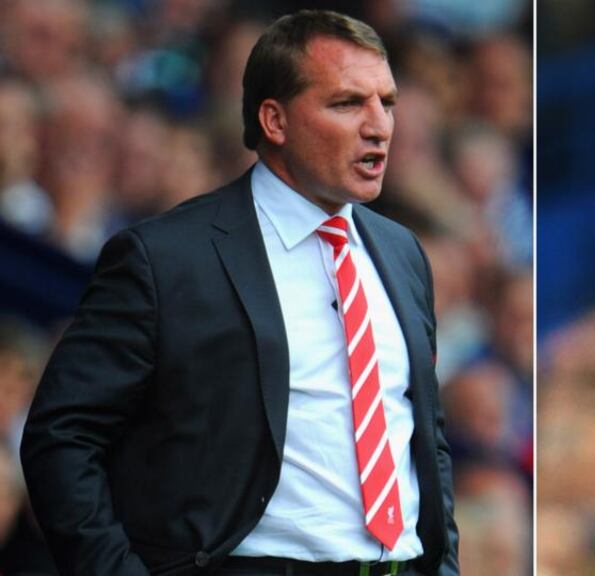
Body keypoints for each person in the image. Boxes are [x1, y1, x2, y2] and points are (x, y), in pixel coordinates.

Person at [20, 10, 458, 576]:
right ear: (274, 120)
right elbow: (62, 436)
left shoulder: (402, 252)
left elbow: (424, 435)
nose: (379, 126)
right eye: (348, 103)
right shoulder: (166, 257)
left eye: (387, 102)